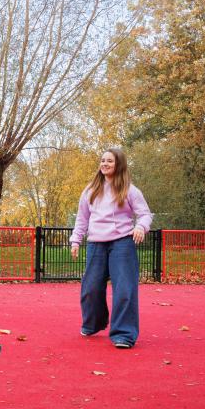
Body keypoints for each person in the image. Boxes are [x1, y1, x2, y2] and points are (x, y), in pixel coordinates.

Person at [70, 148, 152, 349]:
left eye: (110, 161)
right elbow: (82, 218)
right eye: (103, 160)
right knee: (90, 288)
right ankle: (94, 322)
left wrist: (141, 227)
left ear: (119, 165)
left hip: (122, 243)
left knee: (124, 289)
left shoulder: (130, 190)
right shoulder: (90, 190)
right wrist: (75, 240)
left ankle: (123, 333)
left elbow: (145, 214)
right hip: (96, 243)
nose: (105, 164)